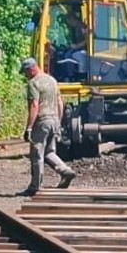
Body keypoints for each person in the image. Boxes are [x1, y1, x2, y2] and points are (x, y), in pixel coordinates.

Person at [21, 56, 76, 196]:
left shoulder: (34, 83)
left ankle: (35, 187)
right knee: (50, 152)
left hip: (42, 121)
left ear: (32, 69)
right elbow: (60, 102)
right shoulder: (52, 80)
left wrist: (29, 127)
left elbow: (34, 105)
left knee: (37, 154)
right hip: (53, 120)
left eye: (26, 71)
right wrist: (58, 120)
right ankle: (65, 171)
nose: (25, 75)